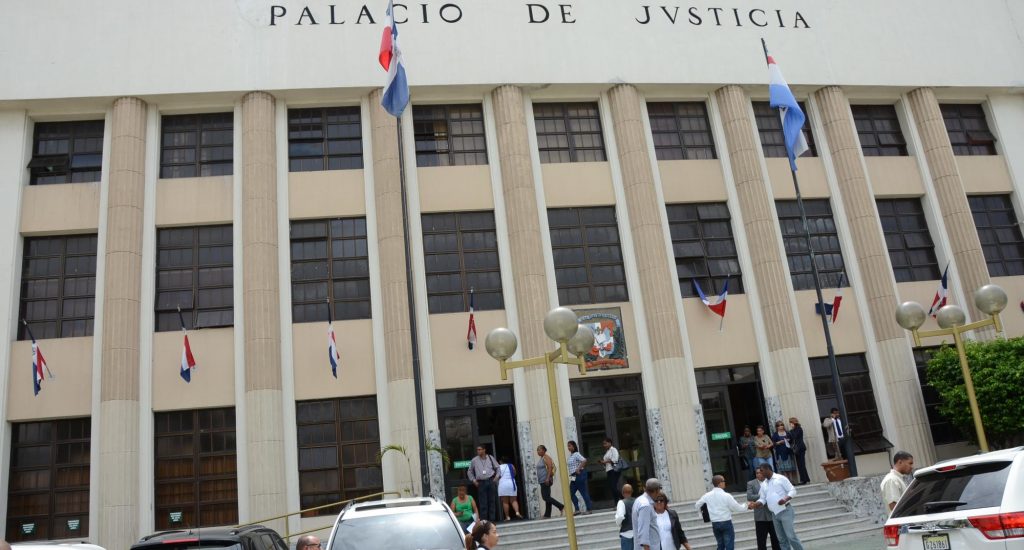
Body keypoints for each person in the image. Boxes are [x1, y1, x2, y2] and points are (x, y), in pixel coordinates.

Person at [751, 463, 805, 550]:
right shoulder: (764, 484)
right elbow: (763, 499)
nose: (760, 473)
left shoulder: (780, 478)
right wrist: (755, 504)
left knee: (791, 536)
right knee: (781, 539)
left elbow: (793, 490)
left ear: (768, 469)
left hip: (785, 510)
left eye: (761, 471)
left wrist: (785, 499)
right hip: (774, 514)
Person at [695, 474, 748, 550]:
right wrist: (746, 505)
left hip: (715, 523)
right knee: (729, 546)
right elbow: (737, 508)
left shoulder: (707, 495)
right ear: (719, 483)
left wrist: (701, 514)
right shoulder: (726, 495)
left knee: (720, 545)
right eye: (724, 481)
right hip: (726, 522)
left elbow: (697, 505)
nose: (725, 482)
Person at [747, 468, 781, 550]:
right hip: (760, 516)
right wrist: (763, 495)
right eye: (757, 473)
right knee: (761, 540)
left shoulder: (770, 481)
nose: (758, 474)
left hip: (772, 514)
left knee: (775, 538)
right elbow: (749, 496)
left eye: (760, 473)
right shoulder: (751, 483)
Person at [468, 445, 500, 522]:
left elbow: (498, 468)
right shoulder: (474, 460)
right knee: (483, 503)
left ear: (484, 450)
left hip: (490, 481)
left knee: (492, 501)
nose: (478, 451)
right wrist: (474, 480)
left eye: (480, 449)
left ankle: (492, 521)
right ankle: (484, 521)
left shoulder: (490, 458)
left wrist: (496, 477)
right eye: (477, 450)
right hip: (481, 482)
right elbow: (469, 471)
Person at [631, 477, 662, 549]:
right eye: (659, 490)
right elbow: (643, 533)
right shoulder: (645, 505)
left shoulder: (639, 500)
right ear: (656, 490)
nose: (660, 493)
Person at [536, 445, 564, 518]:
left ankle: (561, 506)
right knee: (547, 497)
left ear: (543, 450)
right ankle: (547, 514)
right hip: (542, 480)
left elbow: (550, 468)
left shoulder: (546, 457)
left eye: (539, 450)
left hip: (546, 480)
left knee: (545, 497)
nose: (538, 451)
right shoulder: (542, 458)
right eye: (537, 450)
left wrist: (547, 478)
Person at [567, 440, 593, 515]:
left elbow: (584, 460)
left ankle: (589, 509)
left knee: (583, 492)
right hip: (573, 476)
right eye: (568, 446)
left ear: (574, 446)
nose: (568, 447)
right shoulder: (571, 455)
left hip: (579, 475)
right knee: (571, 493)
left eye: (570, 446)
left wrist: (578, 469)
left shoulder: (576, 454)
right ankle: (577, 509)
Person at [497, 456, 522, 520]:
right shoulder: (511, 466)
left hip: (503, 484)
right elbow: (514, 474)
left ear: (500, 461)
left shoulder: (499, 467)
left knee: (505, 502)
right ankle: (517, 512)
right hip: (511, 483)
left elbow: (498, 476)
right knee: (514, 500)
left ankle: (507, 517)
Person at [788, 417, 810, 485]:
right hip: (796, 449)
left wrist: (791, 431)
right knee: (799, 464)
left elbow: (795, 436)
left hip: (800, 448)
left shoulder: (799, 429)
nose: (790, 424)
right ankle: (805, 479)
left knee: (802, 464)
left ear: (793, 423)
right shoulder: (792, 430)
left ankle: (804, 480)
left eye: (791, 423)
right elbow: (791, 439)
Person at [601, 437, 623, 504]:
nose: (604, 445)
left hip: (614, 470)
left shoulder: (613, 449)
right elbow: (607, 462)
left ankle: (624, 498)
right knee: (612, 488)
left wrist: (605, 461)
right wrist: (603, 463)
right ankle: (617, 503)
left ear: (610, 443)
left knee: (613, 487)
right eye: (603, 444)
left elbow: (615, 460)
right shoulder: (607, 451)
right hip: (609, 470)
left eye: (605, 443)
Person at [615, 483, 636, 550]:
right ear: (632, 492)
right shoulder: (637, 501)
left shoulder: (621, 502)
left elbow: (620, 516)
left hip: (626, 533)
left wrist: (618, 523)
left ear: (622, 493)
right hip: (637, 533)